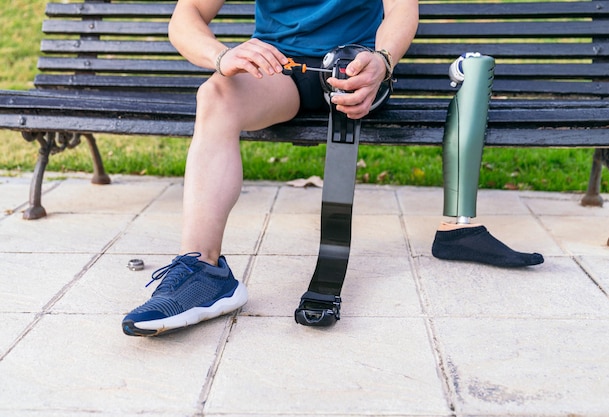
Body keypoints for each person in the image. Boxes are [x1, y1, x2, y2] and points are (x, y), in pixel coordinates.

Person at [121, 0, 421, 337]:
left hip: (355, 71)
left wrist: (382, 60)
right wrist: (222, 56)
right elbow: (187, 14)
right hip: (278, 70)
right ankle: (204, 271)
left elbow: (401, 9)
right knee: (214, 96)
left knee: (359, 65)